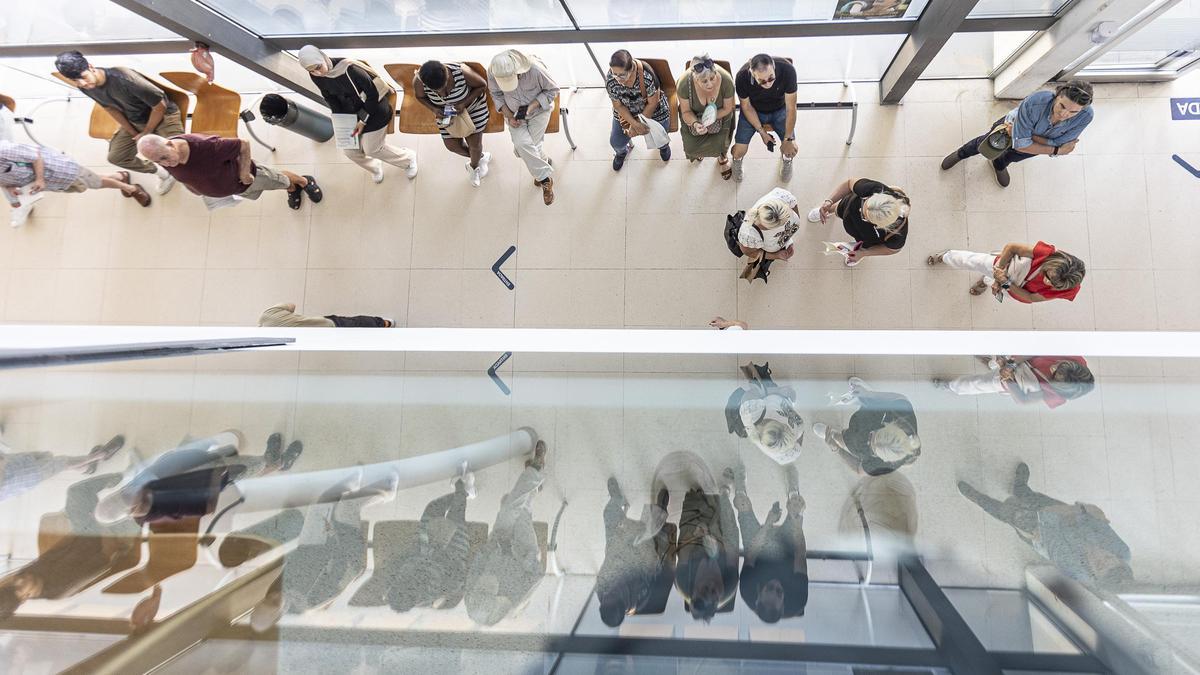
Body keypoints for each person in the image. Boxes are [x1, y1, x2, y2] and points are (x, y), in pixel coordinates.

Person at [248, 473, 399, 628]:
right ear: (279, 614)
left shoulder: (271, 593)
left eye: (265, 600)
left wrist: (311, 540)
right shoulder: (308, 602)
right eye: (274, 603)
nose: (274, 596)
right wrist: (333, 534)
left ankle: (352, 483)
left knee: (323, 502)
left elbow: (295, 560)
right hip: (347, 558)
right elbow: (342, 574)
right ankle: (387, 490)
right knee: (347, 506)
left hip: (314, 548)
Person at [957, 463, 1132, 590]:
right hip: (1073, 520)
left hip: (1044, 536)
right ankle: (1021, 490)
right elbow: (1097, 521)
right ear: (1118, 559)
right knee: (1039, 500)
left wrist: (1045, 515)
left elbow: (1051, 537)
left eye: (1099, 565)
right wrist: (1076, 511)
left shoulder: (1076, 569)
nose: (1100, 556)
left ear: (1093, 573)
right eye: (1109, 558)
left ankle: (980, 499)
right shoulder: (1122, 550)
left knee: (1009, 514)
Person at [0, 473, 141, 619]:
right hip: (111, 539)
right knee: (127, 507)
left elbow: (63, 546)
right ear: (24, 598)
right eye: (18, 587)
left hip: (86, 534)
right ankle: (139, 487)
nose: (19, 580)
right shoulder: (59, 587)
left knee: (77, 492)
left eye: (12, 582)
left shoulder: (27, 575)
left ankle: (123, 477)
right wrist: (100, 523)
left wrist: (84, 523)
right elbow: (108, 555)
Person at [52, 51, 181, 195]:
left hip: (163, 116)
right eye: (75, 80)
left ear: (91, 67)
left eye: (83, 77)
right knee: (116, 157)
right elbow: (110, 109)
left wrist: (146, 133)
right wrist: (133, 132)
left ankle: (183, 172)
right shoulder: (85, 87)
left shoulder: (124, 78)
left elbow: (160, 106)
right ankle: (163, 173)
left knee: (178, 151)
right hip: (135, 120)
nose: (82, 83)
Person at [942, 80, 1094, 188]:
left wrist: (1027, 136)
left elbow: (1059, 142)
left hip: (1027, 139)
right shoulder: (1035, 102)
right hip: (1007, 130)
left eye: (1073, 112)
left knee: (1012, 157)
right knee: (983, 144)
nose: (1064, 114)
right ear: (1057, 95)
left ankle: (999, 165)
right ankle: (961, 154)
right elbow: (1029, 145)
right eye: (1062, 106)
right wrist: (1057, 150)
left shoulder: (1086, 116)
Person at [298, 45, 417, 183]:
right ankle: (374, 166)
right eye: (312, 71)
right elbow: (330, 98)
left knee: (372, 149)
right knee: (349, 152)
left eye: (318, 67)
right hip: (351, 114)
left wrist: (362, 121)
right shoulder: (317, 76)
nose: (318, 73)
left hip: (374, 109)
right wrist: (341, 122)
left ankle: (408, 159)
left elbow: (373, 95)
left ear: (323, 58)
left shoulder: (350, 69)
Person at [464, 440, 549, 625]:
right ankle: (535, 470)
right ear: (498, 598)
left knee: (509, 505)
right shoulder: (516, 598)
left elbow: (478, 562)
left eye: (480, 588)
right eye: (488, 589)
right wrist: (521, 556)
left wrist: (494, 546)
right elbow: (538, 574)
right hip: (524, 550)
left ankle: (533, 483)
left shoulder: (471, 593)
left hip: (499, 541)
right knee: (517, 508)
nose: (484, 583)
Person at [136, 133, 321, 210]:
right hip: (235, 188)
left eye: (164, 157)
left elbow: (243, 144)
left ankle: (303, 182)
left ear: (169, 144)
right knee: (277, 184)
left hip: (249, 178)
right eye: (159, 162)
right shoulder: (164, 157)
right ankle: (291, 188)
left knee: (278, 179)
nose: (166, 164)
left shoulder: (204, 147)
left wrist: (244, 173)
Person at [383, 469, 477, 612]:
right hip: (452, 550)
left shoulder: (398, 579)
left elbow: (402, 558)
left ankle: (463, 492)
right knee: (456, 515)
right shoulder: (434, 593)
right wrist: (442, 557)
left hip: (426, 545)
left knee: (433, 507)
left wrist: (419, 548)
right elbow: (459, 576)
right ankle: (461, 489)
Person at [596, 477, 677, 627]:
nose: (609, 592)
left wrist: (620, 535)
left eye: (607, 597)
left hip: (618, 551)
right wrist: (639, 538)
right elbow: (648, 564)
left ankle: (616, 498)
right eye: (613, 596)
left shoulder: (602, 591)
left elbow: (610, 559)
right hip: (642, 556)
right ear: (622, 602)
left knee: (609, 514)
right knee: (651, 531)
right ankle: (661, 508)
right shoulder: (640, 595)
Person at [732, 465, 808, 623]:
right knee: (797, 508)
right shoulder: (798, 599)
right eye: (779, 591)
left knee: (741, 503)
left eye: (769, 588)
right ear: (784, 602)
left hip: (759, 552)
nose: (775, 584)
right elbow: (800, 554)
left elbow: (751, 553)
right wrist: (795, 518)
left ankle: (740, 484)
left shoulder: (747, 591)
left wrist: (767, 524)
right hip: (787, 553)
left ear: (758, 596)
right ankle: (793, 492)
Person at [0, 140, 153, 213]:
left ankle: (131, 188)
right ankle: (119, 176)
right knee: (87, 180)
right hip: (49, 182)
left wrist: (39, 179)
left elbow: (35, 156)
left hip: (58, 169)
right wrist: (10, 186)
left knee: (95, 182)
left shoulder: (3, 150)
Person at [488, 49, 559, 206]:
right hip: (513, 114)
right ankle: (545, 179)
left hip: (539, 111)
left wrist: (531, 106)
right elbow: (496, 95)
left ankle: (542, 166)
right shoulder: (493, 71)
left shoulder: (536, 70)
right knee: (526, 147)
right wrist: (509, 115)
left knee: (522, 150)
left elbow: (553, 91)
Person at [812, 378, 921, 476]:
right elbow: (898, 398)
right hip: (878, 412)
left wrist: (837, 449)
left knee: (851, 441)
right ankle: (862, 396)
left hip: (860, 445)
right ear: (890, 426)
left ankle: (833, 435)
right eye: (874, 435)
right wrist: (870, 394)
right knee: (870, 403)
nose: (868, 441)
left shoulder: (883, 466)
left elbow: (858, 469)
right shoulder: (903, 412)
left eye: (873, 451)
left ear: (886, 460)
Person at [674, 465, 740, 622]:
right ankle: (724, 494)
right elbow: (732, 547)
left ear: (694, 591)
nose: (712, 585)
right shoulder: (730, 586)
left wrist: (698, 534)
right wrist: (713, 534)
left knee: (694, 497)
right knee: (723, 522)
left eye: (705, 589)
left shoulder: (683, 582)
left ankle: (702, 499)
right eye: (714, 592)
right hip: (723, 547)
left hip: (694, 546)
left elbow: (684, 548)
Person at [413, 60, 491, 187]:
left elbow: (482, 85)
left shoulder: (461, 71)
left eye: (443, 87)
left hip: (472, 107)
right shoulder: (419, 81)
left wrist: (464, 103)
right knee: (452, 146)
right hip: (446, 113)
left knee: (475, 145)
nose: (441, 92)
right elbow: (420, 97)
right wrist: (434, 109)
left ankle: (474, 166)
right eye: (436, 91)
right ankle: (480, 157)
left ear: (447, 73)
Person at [928, 241, 1086, 302]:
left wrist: (1004, 282)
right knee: (972, 261)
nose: (1046, 282)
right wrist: (1000, 274)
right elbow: (1012, 248)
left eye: (1053, 284)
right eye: (1047, 275)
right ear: (1051, 262)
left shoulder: (1068, 288)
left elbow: (1031, 297)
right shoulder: (1046, 253)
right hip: (1005, 267)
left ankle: (986, 281)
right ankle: (947, 256)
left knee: (993, 283)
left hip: (1014, 288)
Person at [808, 178, 910, 267]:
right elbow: (849, 184)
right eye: (864, 203)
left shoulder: (898, 233)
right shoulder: (874, 189)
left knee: (860, 247)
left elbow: (893, 249)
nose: (860, 210)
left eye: (864, 216)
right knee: (839, 209)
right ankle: (829, 210)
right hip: (848, 207)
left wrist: (863, 253)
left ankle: (857, 253)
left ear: (881, 226)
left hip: (865, 238)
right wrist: (830, 201)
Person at [0, 432, 124, 503]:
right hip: (22, 476)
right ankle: (100, 455)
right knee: (62, 462)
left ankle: (87, 468)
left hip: (14, 462)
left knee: (47, 457)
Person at [731, 54, 798, 183]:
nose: (768, 83)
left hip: (780, 109)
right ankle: (737, 160)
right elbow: (746, 106)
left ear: (774, 67)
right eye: (762, 81)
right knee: (739, 150)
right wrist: (762, 132)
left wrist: (788, 139)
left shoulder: (788, 70)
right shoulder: (742, 77)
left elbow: (791, 107)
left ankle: (787, 159)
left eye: (771, 78)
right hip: (753, 110)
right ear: (752, 74)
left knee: (791, 147)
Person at [934, 355, 1094, 409]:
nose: (1052, 367)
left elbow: (1023, 399)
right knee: (995, 357)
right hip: (1016, 361)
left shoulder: (1056, 395)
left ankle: (951, 387)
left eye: (1055, 375)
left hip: (1009, 381)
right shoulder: (1075, 361)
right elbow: (1036, 349)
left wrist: (1008, 378)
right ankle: (991, 361)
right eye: (1059, 365)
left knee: (977, 384)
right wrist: (1011, 364)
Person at [605, 50, 672, 171]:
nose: (618, 79)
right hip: (626, 110)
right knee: (616, 142)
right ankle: (621, 153)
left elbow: (653, 103)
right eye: (615, 74)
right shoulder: (611, 79)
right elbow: (618, 106)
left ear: (631, 69)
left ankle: (663, 147)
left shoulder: (647, 76)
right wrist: (634, 124)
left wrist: (639, 123)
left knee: (661, 135)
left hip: (651, 110)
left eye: (622, 75)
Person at [725, 362, 804, 465]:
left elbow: (751, 396)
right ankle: (753, 378)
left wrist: (764, 391)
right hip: (773, 399)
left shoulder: (750, 412)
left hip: (776, 400)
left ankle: (754, 378)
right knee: (761, 388)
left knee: (763, 388)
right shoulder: (785, 456)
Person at [676, 56, 736, 178]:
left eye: (712, 78)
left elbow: (727, 108)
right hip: (694, 118)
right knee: (691, 147)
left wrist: (710, 118)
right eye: (704, 81)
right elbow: (686, 112)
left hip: (720, 116)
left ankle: (722, 156)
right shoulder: (683, 84)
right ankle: (700, 152)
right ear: (695, 79)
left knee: (721, 144)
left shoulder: (726, 81)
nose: (710, 84)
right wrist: (695, 123)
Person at [737, 187, 802, 268]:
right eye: (777, 226)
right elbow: (750, 252)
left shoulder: (785, 198)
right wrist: (776, 255)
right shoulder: (748, 235)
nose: (783, 226)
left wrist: (788, 242)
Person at [258, 302, 394, 328]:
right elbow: (291, 305)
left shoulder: (271, 338)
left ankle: (383, 325)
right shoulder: (269, 313)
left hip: (323, 336)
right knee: (356, 322)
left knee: (355, 325)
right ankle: (383, 323)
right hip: (324, 322)